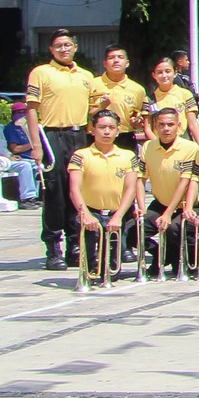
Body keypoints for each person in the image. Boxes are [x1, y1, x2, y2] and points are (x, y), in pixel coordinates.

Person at [28, 29, 98, 270]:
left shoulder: (86, 76)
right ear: (51, 49)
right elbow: (31, 109)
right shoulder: (41, 73)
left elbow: (90, 107)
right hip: (52, 135)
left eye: (67, 44)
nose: (63, 49)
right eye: (58, 45)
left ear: (75, 47)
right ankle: (53, 246)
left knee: (77, 190)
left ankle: (74, 244)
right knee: (55, 192)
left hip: (79, 136)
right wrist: (36, 145)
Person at [68, 109, 139, 282]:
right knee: (91, 262)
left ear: (118, 130)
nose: (106, 132)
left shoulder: (128, 155)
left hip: (117, 213)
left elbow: (131, 189)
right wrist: (85, 215)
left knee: (112, 268)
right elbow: (74, 189)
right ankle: (90, 264)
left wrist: (118, 217)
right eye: (101, 127)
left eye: (111, 128)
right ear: (92, 130)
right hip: (91, 212)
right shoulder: (81, 155)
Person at [138, 106, 199, 278]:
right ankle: (162, 256)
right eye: (162, 125)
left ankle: (183, 261)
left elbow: (184, 182)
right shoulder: (147, 147)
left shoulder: (190, 147)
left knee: (174, 228)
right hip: (160, 202)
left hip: (184, 204)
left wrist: (168, 214)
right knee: (133, 230)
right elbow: (140, 178)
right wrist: (142, 207)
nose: (166, 129)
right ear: (155, 127)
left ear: (179, 126)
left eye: (170, 125)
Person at [89, 46, 150, 152]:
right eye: (111, 57)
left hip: (124, 137)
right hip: (95, 137)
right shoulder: (92, 84)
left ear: (127, 63)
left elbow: (138, 115)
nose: (116, 60)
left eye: (120, 57)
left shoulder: (138, 89)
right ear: (104, 63)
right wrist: (101, 107)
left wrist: (137, 121)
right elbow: (84, 114)